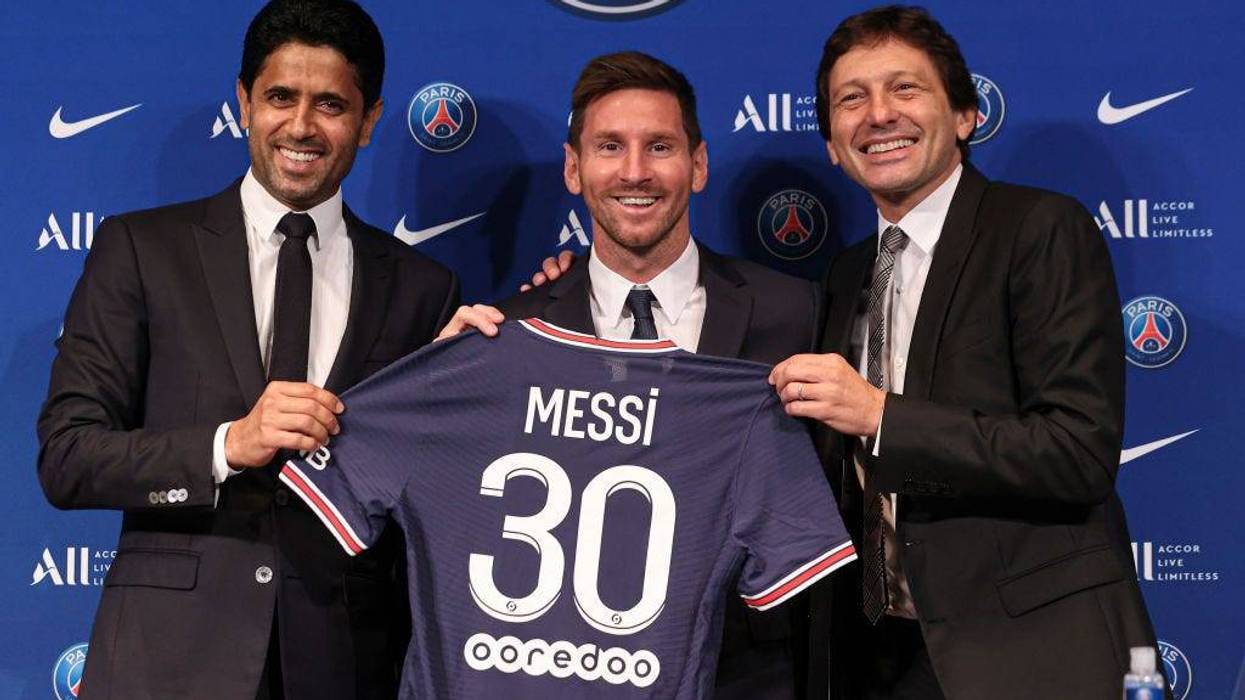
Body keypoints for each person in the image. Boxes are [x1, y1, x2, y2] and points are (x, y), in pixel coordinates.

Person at [36, 1, 459, 698]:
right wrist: (229, 443)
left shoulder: (423, 289)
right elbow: (68, 457)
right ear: (243, 102)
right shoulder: (142, 251)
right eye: (279, 98)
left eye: (330, 104)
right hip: (167, 663)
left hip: (343, 666)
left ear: (371, 118)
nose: (300, 127)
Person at [767, 6, 1162, 699]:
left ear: (965, 116)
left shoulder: (1038, 228)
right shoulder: (843, 272)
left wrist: (880, 415)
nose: (878, 114)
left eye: (905, 89)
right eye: (850, 99)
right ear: (831, 143)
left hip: (1025, 652)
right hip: (876, 656)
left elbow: (1077, 452)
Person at [439, 51, 821, 699]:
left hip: (747, 673)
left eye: (660, 146)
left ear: (697, 166)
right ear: (573, 168)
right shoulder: (510, 333)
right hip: (564, 672)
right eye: (609, 146)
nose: (635, 171)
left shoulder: (796, 311)